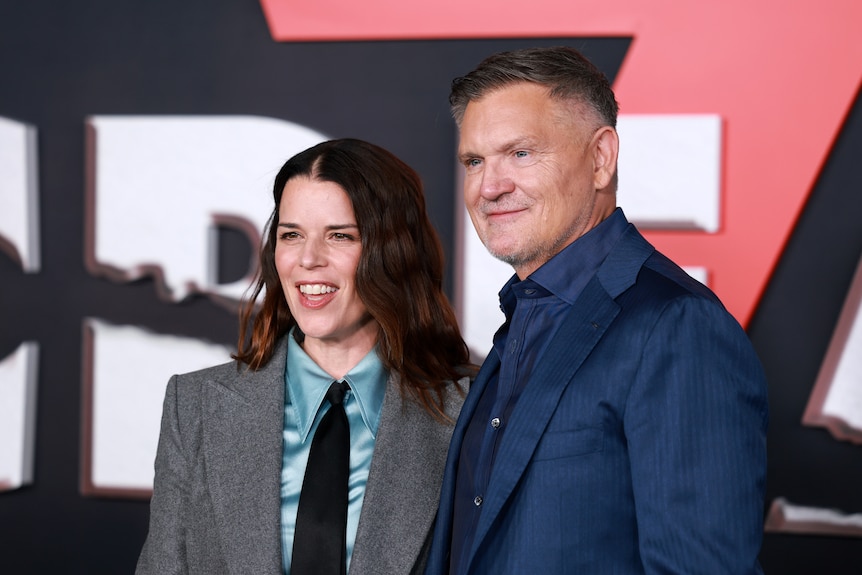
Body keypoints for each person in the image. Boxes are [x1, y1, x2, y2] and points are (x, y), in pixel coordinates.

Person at [425, 47, 769, 574]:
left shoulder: (676, 327)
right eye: (475, 161)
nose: (488, 187)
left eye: (520, 153)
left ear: (601, 158)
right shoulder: (521, 319)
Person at [136, 138, 474, 575]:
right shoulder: (196, 405)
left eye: (340, 236)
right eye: (291, 235)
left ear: (395, 252)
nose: (308, 260)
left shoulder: (470, 410)